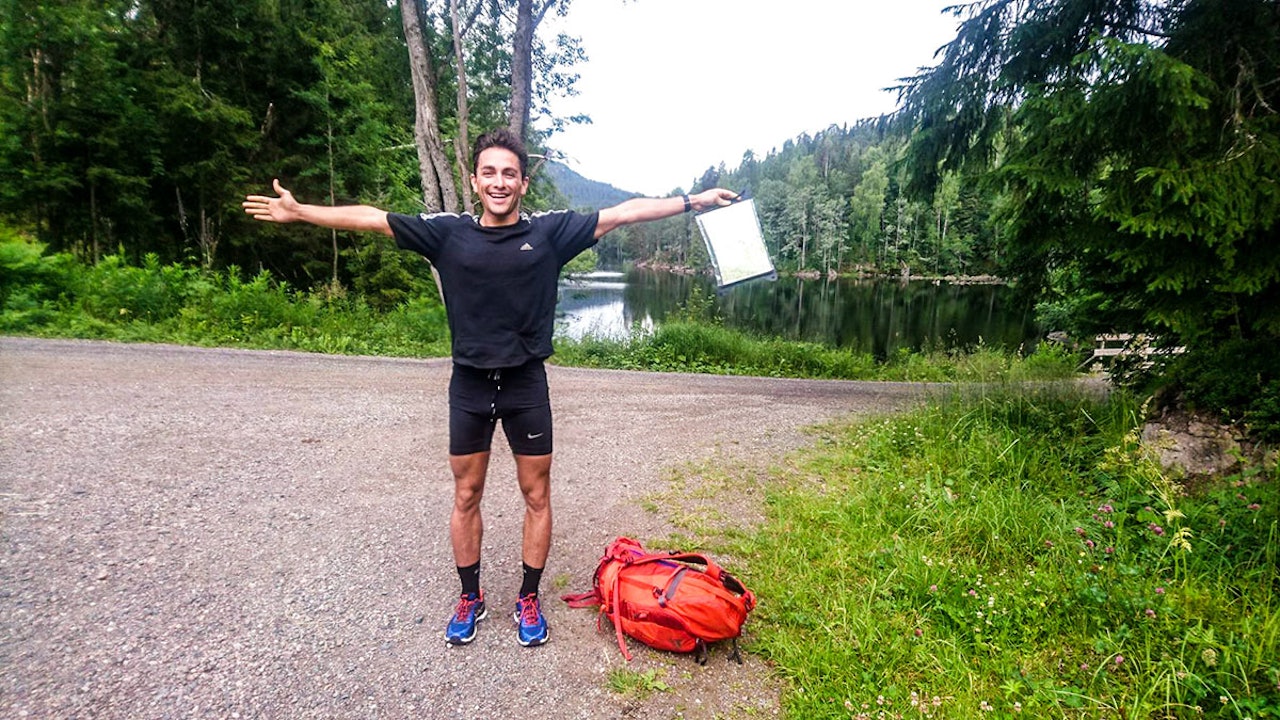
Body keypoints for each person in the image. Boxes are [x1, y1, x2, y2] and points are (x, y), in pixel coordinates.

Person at [243, 128, 737, 647]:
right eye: (489, 173)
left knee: (537, 495)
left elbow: (624, 213)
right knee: (466, 493)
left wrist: (695, 201)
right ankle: (470, 597)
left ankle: (528, 597)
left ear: (523, 183)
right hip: (470, 387)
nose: (499, 182)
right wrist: (300, 212)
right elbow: (373, 218)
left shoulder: (549, 232)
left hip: (526, 385)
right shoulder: (447, 233)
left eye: (509, 174)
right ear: (475, 181)